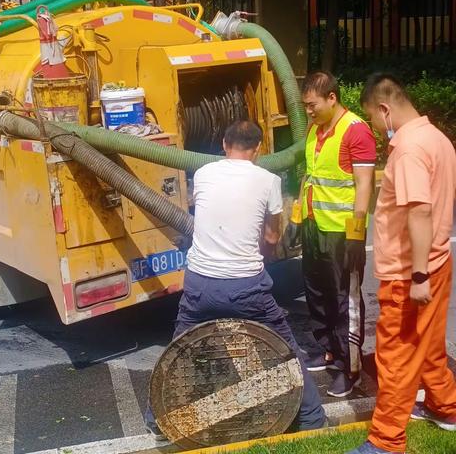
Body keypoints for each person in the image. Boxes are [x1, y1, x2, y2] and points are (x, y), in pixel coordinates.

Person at [146, 120, 326, 438]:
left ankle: (157, 420)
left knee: (179, 346)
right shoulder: (268, 180)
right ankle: (311, 418)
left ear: (225, 146)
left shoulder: (203, 174)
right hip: (246, 287)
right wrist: (260, 257)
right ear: (258, 150)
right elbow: (270, 237)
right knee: (285, 347)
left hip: (200, 282)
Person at [347, 74, 456, 454]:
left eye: (375, 121)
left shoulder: (408, 149)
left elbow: (419, 212)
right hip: (437, 262)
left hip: (411, 272)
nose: (378, 130)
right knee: (427, 344)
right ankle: (446, 408)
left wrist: (418, 275)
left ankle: (386, 442)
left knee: (395, 356)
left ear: (385, 109)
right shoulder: (437, 139)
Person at [285, 71, 376, 398]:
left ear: (332, 98)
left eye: (312, 105)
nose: (308, 111)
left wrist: (356, 233)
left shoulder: (356, 132)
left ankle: (348, 367)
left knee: (344, 300)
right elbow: (309, 176)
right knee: (318, 293)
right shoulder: (315, 129)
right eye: (305, 106)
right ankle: (327, 350)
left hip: (341, 234)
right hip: (315, 227)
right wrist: (297, 216)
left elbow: (364, 185)